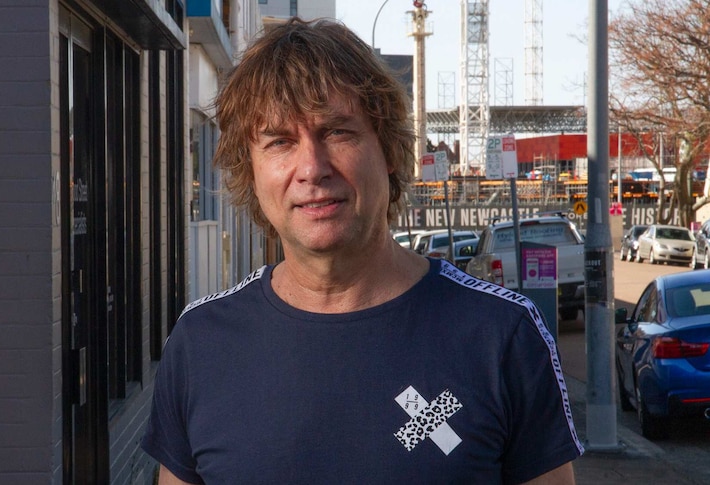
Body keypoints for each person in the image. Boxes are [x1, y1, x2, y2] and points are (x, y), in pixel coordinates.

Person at [141, 17, 583, 484]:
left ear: (389, 150)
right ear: (250, 171)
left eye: (337, 132)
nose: (311, 168)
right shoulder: (201, 342)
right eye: (279, 142)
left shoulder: (501, 334)